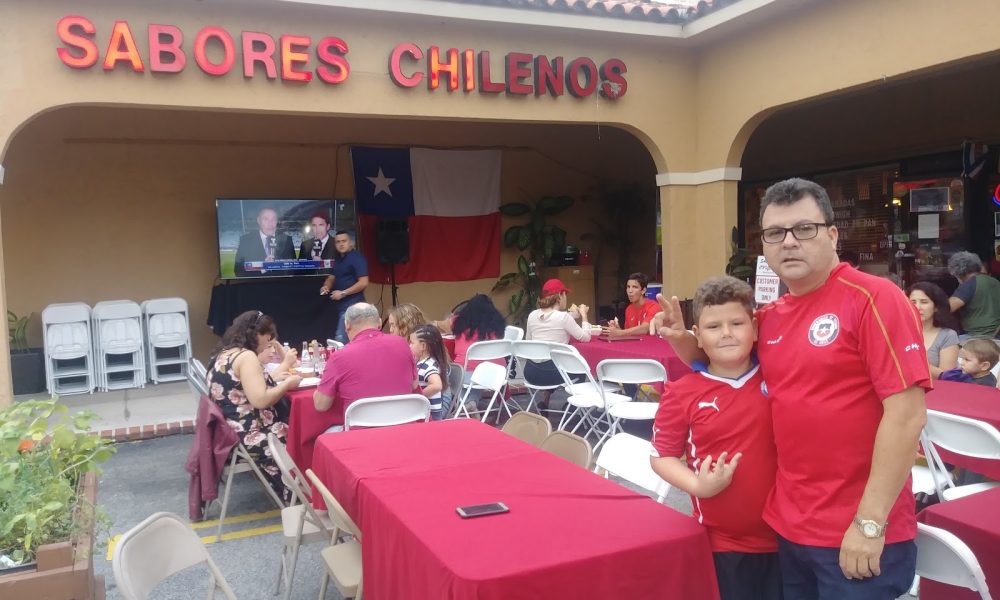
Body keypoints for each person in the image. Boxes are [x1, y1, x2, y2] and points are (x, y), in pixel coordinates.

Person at [653, 177, 929, 599]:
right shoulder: (771, 316)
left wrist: (870, 522)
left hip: (855, 531)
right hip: (788, 528)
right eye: (775, 233)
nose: (789, 243)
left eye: (804, 229)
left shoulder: (874, 297)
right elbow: (726, 352)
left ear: (832, 234)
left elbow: (907, 415)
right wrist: (681, 338)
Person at [650, 276, 780, 600]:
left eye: (736, 323)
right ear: (698, 335)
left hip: (790, 539)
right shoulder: (682, 392)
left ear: (754, 326)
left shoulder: (778, 376)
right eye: (713, 327)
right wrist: (697, 485)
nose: (726, 333)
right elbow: (661, 455)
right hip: (725, 545)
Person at [207, 310, 301, 499]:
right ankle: (302, 494)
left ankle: (293, 490)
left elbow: (243, 388)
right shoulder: (247, 357)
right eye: (268, 340)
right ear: (257, 334)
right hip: (251, 434)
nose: (269, 345)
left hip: (229, 433)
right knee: (304, 438)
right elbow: (260, 400)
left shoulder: (226, 354)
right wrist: (286, 385)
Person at [313, 303, 417, 426]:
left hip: (359, 435)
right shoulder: (402, 344)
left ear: (346, 325)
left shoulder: (339, 357)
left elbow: (321, 405)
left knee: (319, 435)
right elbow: (414, 384)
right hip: (402, 426)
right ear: (379, 322)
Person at [524, 278, 592, 410]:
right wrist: (584, 315)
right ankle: (574, 404)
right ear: (560, 296)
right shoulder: (563, 318)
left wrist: (573, 315)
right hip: (552, 374)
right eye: (565, 294)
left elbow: (528, 341)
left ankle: (545, 401)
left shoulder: (532, 315)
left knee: (554, 362)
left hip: (531, 373)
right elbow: (585, 337)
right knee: (579, 369)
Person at [437, 294, 506, 376]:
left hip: (466, 373)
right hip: (498, 374)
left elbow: (439, 325)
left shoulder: (458, 320)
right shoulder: (497, 322)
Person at [320, 230, 370, 344]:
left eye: (344, 241)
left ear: (350, 243)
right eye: (338, 242)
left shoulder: (357, 258)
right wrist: (326, 286)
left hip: (353, 307)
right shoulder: (337, 259)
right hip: (340, 308)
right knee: (346, 341)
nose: (341, 244)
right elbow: (332, 277)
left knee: (340, 341)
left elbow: (364, 282)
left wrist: (343, 293)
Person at [907, 281, 960, 378]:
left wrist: (914, 359)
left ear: (936, 307)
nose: (917, 307)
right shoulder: (899, 333)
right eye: (913, 302)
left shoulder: (947, 335)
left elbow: (947, 377)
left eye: (924, 302)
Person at [947, 251, 1000, 340]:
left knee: (946, 342)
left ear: (958, 271)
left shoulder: (969, 284)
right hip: (996, 333)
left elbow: (947, 308)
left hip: (977, 336)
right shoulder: (994, 281)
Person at [234, 207, 296, 276]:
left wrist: (281, 265)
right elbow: (239, 271)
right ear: (259, 220)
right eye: (266, 219)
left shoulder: (287, 240)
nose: (270, 223)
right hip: (256, 285)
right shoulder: (245, 241)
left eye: (274, 219)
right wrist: (263, 267)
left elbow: (293, 270)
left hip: (281, 285)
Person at [410, 324, 451, 420]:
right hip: (426, 412)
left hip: (431, 413)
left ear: (423, 346)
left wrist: (419, 397)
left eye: (412, 342)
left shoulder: (428, 365)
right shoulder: (422, 362)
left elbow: (437, 385)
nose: (409, 345)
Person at [603, 272, 660, 337]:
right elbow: (629, 334)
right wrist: (617, 329)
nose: (630, 291)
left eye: (635, 287)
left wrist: (619, 332)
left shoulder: (654, 306)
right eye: (628, 287)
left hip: (651, 345)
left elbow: (644, 329)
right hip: (635, 345)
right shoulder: (629, 309)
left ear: (643, 290)